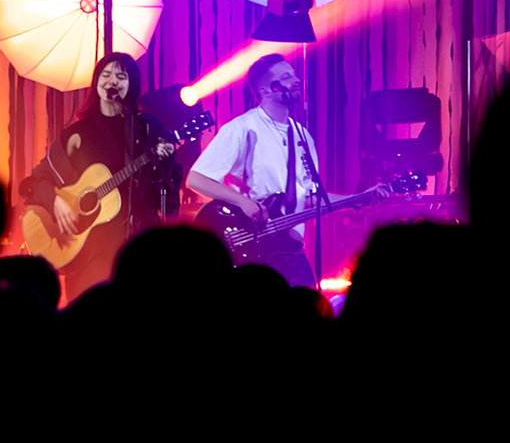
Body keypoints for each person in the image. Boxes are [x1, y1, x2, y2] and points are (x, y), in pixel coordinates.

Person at [22, 52, 177, 300]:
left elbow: (167, 187)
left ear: (132, 84)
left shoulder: (147, 127)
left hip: (138, 243)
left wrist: (164, 160)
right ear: (96, 83)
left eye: (121, 76)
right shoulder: (78, 133)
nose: (112, 81)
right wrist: (55, 201)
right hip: (89, 253)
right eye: (105, 75)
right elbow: (36, 180)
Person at [186, 53, 321, 286]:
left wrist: (358, 198)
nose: (296, 80)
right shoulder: (242, 128)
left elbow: (310, 198)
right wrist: (243, 202)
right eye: (286, 77)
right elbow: (196, 179)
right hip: (253, 244)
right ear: (265, 91)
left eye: (294, 75)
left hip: (290, 246)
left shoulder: (302, 136)